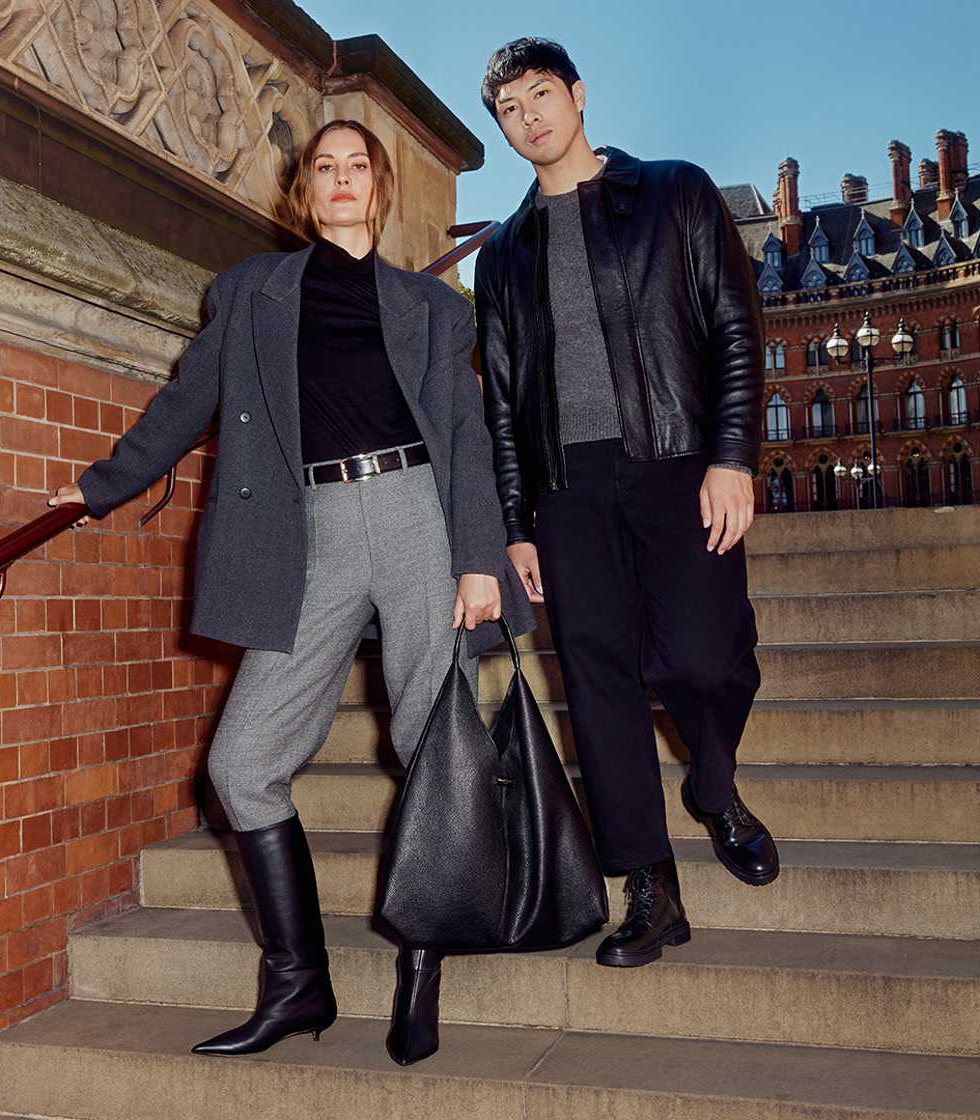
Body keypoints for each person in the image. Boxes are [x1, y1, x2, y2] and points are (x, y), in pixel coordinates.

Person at [49, 119, 534, 1061]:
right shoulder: (252, 292)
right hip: (309, 529)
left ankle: (422, 964)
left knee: (431, 746)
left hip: (417, 517)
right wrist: (102, 486)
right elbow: (186, 400)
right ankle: (299, 984)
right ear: (303, 191)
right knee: (240, 763)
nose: (342, 180)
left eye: (358, 167)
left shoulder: (434, 310)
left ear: (379, 189)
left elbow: (466, 436)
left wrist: (479, 553)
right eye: (325, 167)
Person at [474, 39, 779, 970]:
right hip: (568, 487)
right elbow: (501, 403)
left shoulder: (675, 192)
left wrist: (732, 457)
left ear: (578, 95)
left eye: (540, 95)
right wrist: (516, 524)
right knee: (598, 681)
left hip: (678, 461)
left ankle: (713, 787)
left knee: (702, 657)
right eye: (510, 109)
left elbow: (735, 327)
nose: (529, 117)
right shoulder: (505, 251)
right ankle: (650, 887)